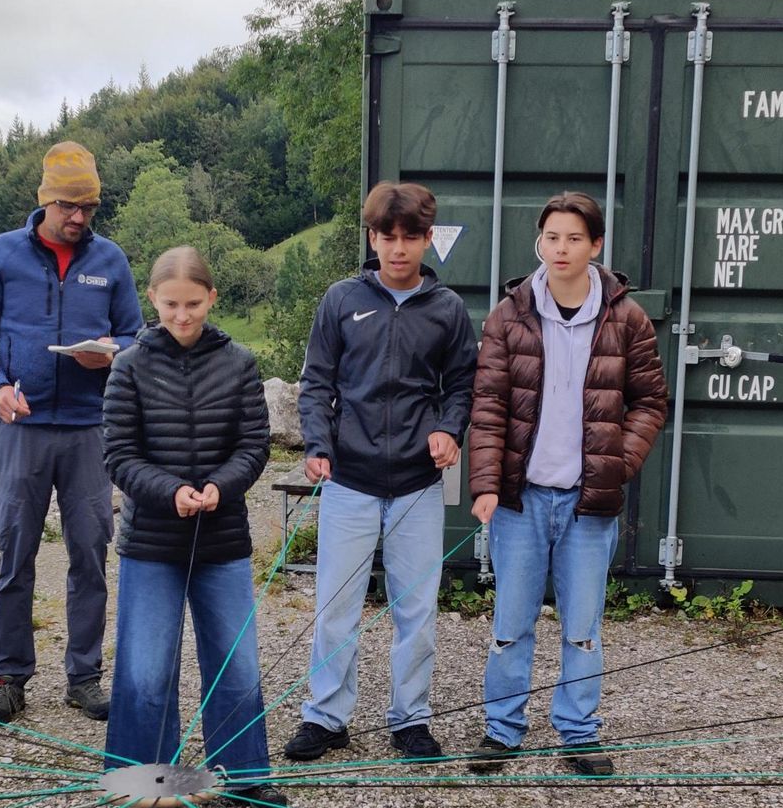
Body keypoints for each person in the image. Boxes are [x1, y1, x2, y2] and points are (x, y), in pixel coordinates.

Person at [467, 190, 668, 776]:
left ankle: (578, 732)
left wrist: (617, 463)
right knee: (511, 625)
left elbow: (650, 401)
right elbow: (488, 406)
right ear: (540, 242)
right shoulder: (509, 315)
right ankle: (502, 731)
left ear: (595, 245)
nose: (561, 248)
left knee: (582, 629)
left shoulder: (627, 318)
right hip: (520, 500)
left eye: (575, 238)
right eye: (551, 237)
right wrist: (486, 482)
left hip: (587, 504)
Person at [284, 181, 477, 764]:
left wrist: (450, 429)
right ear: (372, 238)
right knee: (336, 607)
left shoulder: (448, 309)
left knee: (416, 610)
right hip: (349, 480)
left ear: (428, 239)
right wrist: (318, 444)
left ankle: (410, 720)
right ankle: (325, 717)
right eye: (387, 236)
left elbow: (462, 385)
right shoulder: (341, 300)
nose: (398, 248)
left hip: (419, 484)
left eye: (410, 237)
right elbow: (316, 383)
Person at [102, 246, 287, 808]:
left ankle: (245, 776)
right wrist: (170, 490)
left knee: (236, 666)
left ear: (212, 298)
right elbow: (118, 454)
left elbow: (254, 445)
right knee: (146, 669)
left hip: (222, 537)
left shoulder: (240, 363)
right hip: (152, 541)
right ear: (152, 301)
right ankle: (149, 782)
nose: (182, 316)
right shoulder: (128, 366)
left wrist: (219, 487)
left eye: (193, 304)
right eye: (170, 305)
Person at [0, 141, 142, 726]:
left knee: (90, 553)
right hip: (22, 427)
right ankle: (7, 679)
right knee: (15, 553)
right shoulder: (2, 254)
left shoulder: (110, 260)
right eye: (68, 206)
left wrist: (112, 351)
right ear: (45, 201)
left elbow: (138, 336)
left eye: (88, 207)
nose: (79, 217)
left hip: (91, 429)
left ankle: (84, 677)